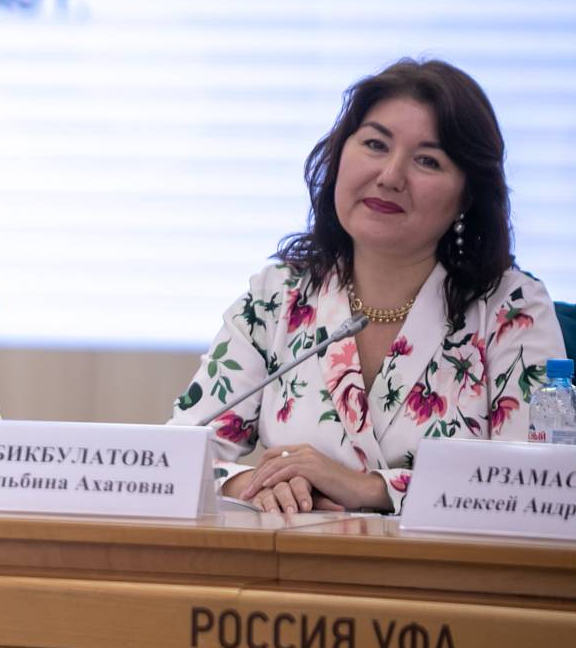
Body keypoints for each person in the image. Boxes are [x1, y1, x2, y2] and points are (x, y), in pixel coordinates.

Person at [169, 59, 563, 514]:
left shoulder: (511, 308)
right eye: (376, 144)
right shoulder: (276, 297)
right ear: (339, 156)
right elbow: (179, 454)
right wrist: (255, 484)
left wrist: (371, 489)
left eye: (427, 161)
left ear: (467, 196)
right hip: (297, 557)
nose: (391, 176)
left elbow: (538, 486)